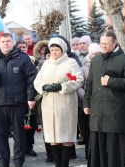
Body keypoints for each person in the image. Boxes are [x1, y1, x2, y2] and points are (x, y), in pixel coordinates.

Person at [0, 33, 37, 167]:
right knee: (1, 135)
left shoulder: (23, 59)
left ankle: (18, 162)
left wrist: (31, 97)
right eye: (3, 42)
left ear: (13, 43)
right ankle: (3, 162)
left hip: (18, 103)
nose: (6, 44)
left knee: (19, 135)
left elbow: (32, 79)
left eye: (8, 41)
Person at [83, 30, 125, 167]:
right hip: (96, 112)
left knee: (114, 153)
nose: (104, 46)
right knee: (96, 151)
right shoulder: (95, 60)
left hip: (115, 113)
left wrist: (111, 81)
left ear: (115, 43)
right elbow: (89, 84)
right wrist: (86, 103)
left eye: (106, 44)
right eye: (101, 43)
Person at [34, 37, 84, 167]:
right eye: (52, 49)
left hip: (65, 105)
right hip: (49, 105)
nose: (54, 52)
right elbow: (37, 80)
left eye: (57, 50)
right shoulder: (46, 64)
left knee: (66, 136)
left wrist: (62, 86)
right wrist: (44, 86)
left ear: (63, 50)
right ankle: (57, 163)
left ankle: (65, 163)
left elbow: (79, 80)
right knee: (52, 137)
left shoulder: (71, 62)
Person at [77, 43, 102, 159]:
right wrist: (87, 99)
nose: (96, 56)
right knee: (88, 131)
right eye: (94, 54)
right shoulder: (83, 69)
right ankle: (89, 154)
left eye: (98, 53)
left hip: (101, 105)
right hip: (88, 105)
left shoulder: (103, 66)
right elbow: (79, 87)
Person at [15, 40, 38, 157]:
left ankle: (30, 146)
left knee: (30, 123)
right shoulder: (14, 60)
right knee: (18, 126)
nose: (22, 49)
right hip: (17, 98)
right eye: (20, 47)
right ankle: (20, 147)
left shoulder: (32, 60)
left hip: (29, 97)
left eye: (24, 47)